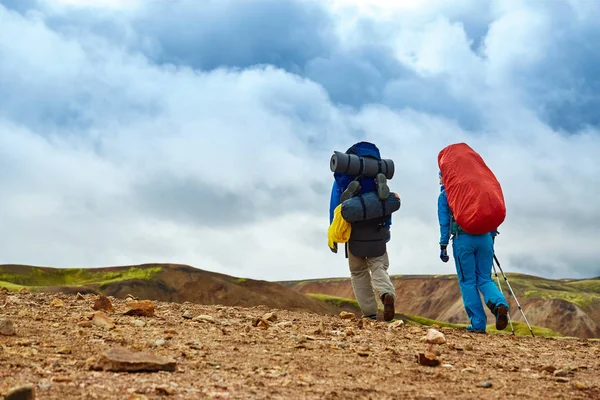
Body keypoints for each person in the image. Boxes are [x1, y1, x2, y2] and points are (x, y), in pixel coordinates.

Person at [329, 141, 396, 321]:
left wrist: (333, 234)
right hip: (377, 227)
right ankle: (385, 293)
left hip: (353, 229)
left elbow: (335, 206)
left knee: (358, 272)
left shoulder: (345, 176)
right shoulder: (378, 173)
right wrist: (387, 226)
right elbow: (385, 204)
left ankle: (370, 313)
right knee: (378, 265)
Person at [437, 171, 509, 333]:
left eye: (441, 176)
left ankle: (478, 324)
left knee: (468, 282)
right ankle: (499, 305)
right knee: (484, 278)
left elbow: (444, 223)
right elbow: (491, 212)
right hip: (485, 238)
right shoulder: (479, 190)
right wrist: (491, 237)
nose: (440, 180)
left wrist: (443, 245)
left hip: (463, 239)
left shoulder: (446, 195)